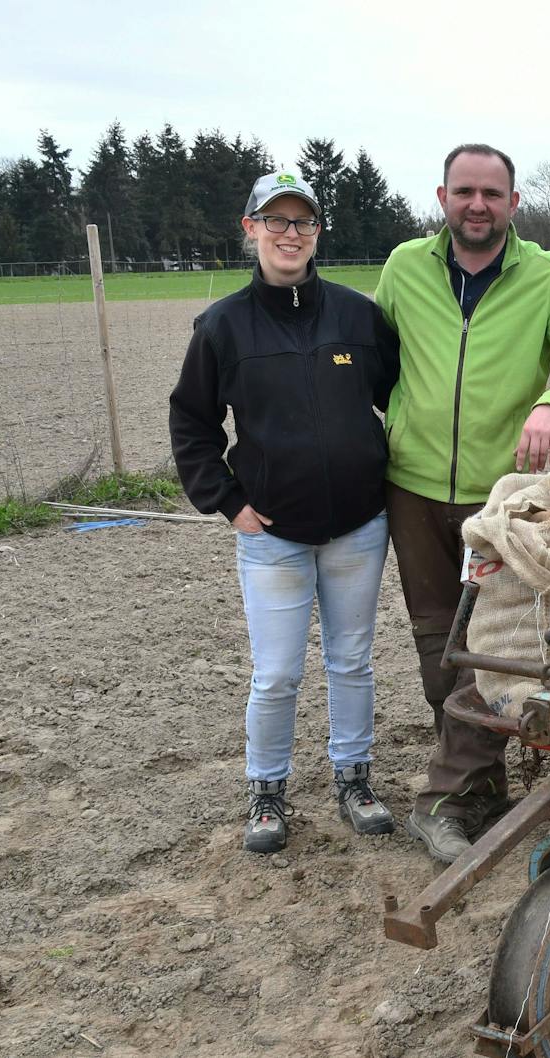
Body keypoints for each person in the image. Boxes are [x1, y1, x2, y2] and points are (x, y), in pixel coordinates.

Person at [376, 144, 550, 863]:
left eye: (491, 193)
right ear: (442, 198)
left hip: (504, 503)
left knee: (513, 645)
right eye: (464, 192)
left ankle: (487, 795)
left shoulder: (545, 275)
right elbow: (373, 360)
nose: (476, 205)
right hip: (414, 489)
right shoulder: (404, 269)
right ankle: (477, 786)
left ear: (513, 203)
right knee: (437, 644)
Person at [170, 171, 401, 854]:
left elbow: (401, 397)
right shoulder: (222, 326)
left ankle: (354, 780)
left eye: (303, 221)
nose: (290, 234)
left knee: (352, 660)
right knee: (276, 674)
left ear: (317, 233)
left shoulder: (358, 317)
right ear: (251, 230)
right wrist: (228, 500)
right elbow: (192, 422)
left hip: (358, 527)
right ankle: (267, 791)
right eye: (276, 220)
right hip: (272, 534)